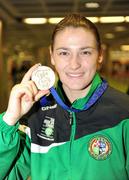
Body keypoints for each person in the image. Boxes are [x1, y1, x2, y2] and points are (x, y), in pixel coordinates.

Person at [0, 13, 129, 180]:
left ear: (100, 56)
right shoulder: (35, 114)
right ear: (52, 56)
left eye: (85, 52)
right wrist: (9, 120)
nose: (74, 64)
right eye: (64, 53)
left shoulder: (124, 113)